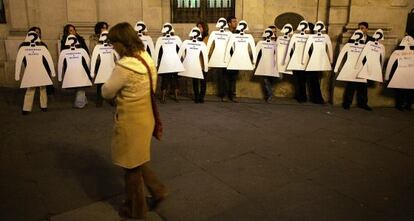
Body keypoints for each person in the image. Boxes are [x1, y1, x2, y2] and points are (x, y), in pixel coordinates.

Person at [102, 22, 167, 220]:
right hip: (146, 118)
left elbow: (106, 91)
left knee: (131, 169)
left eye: (113, 43)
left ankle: (136, 210)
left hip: (130, 122)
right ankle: (158, 190)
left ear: (121, 43)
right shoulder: (147, 58)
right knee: (137, 159)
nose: (112, 47)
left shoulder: (124, 66)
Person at [342, 22, 373, 111]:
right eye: (359, 28)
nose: (360, 30)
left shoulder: (371, 40)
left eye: (362, 28)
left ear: (367, 29)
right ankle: (347, 103)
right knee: (351, 85)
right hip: (354, 65)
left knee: (364, 86)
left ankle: (363, 103)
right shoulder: (352, 39)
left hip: (365, 65)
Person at [60, 24, 91, 108]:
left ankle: (79, 104)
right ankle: (83, 100)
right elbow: (63, 54)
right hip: (71, 65)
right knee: (76, 83)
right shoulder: (64, 41)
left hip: (81, 64)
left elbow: (86, 51)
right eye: (70, 30)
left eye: (74, 30)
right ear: (67, 32)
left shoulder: (80, 40)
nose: (73, 32)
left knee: (81, 83)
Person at [219, 15, 239, 102]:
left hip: (236, 58)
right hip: (226, 57)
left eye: (236, 21)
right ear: (229, 23)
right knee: (224, 77)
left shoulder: (238, 32)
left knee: (233, 78)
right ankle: (224, 95)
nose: (236, 23)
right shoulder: (224, 33)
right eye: (234, 21)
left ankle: (232, 95)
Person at [90, 21, 109, 107]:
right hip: (99, 61)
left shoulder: (109, 38)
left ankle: (110, 98)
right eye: (103, 28)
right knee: (100, 81)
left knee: (109, 80)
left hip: (108, 61)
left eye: (106, 27)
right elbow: (92, 50)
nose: (104, 29)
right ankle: (99, 99)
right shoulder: (94, 38)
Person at [193, 21, 209, 103]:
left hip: (203, 62)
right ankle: (196, 96)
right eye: (198, 26)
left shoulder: (207, 37)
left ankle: (201, 97)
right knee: (195, 81)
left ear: (204, 28)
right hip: (195, 62)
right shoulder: (193, 37)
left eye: (200, 27)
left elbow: (207, 48)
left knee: (203, 81)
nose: (199, 28)